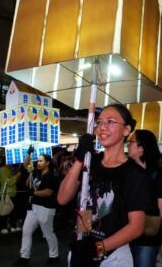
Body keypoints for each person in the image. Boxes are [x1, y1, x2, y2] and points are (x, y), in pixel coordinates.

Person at [57, 103, 148, 267]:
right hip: (82, 249)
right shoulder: (91, 163)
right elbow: (63, 198)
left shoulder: (135, 173)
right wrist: (79, 159)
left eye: (110, 122)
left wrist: (97, 248)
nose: (102, 127)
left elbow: (136, 227)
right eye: (99, 122)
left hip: (114, 256)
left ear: (126, 130)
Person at [127, 130, 162, 267]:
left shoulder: (157, 174)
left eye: (131, 142)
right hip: (124, 235)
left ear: (141, 147)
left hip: (147, 236)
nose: (127, 145)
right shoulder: (125, 170)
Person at [16, 152, 60, 265]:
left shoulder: (51, 176)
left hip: (46, 208)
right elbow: (25, 164)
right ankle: (24, 257)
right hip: (33, 207)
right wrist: (29, 154)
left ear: (48, 163)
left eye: (41, 161)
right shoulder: (36, 173)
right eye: (38, 161)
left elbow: (48, 192)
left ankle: (54, 256)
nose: (38, 163)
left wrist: (34, 192)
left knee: (48, 233)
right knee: (26, 230)